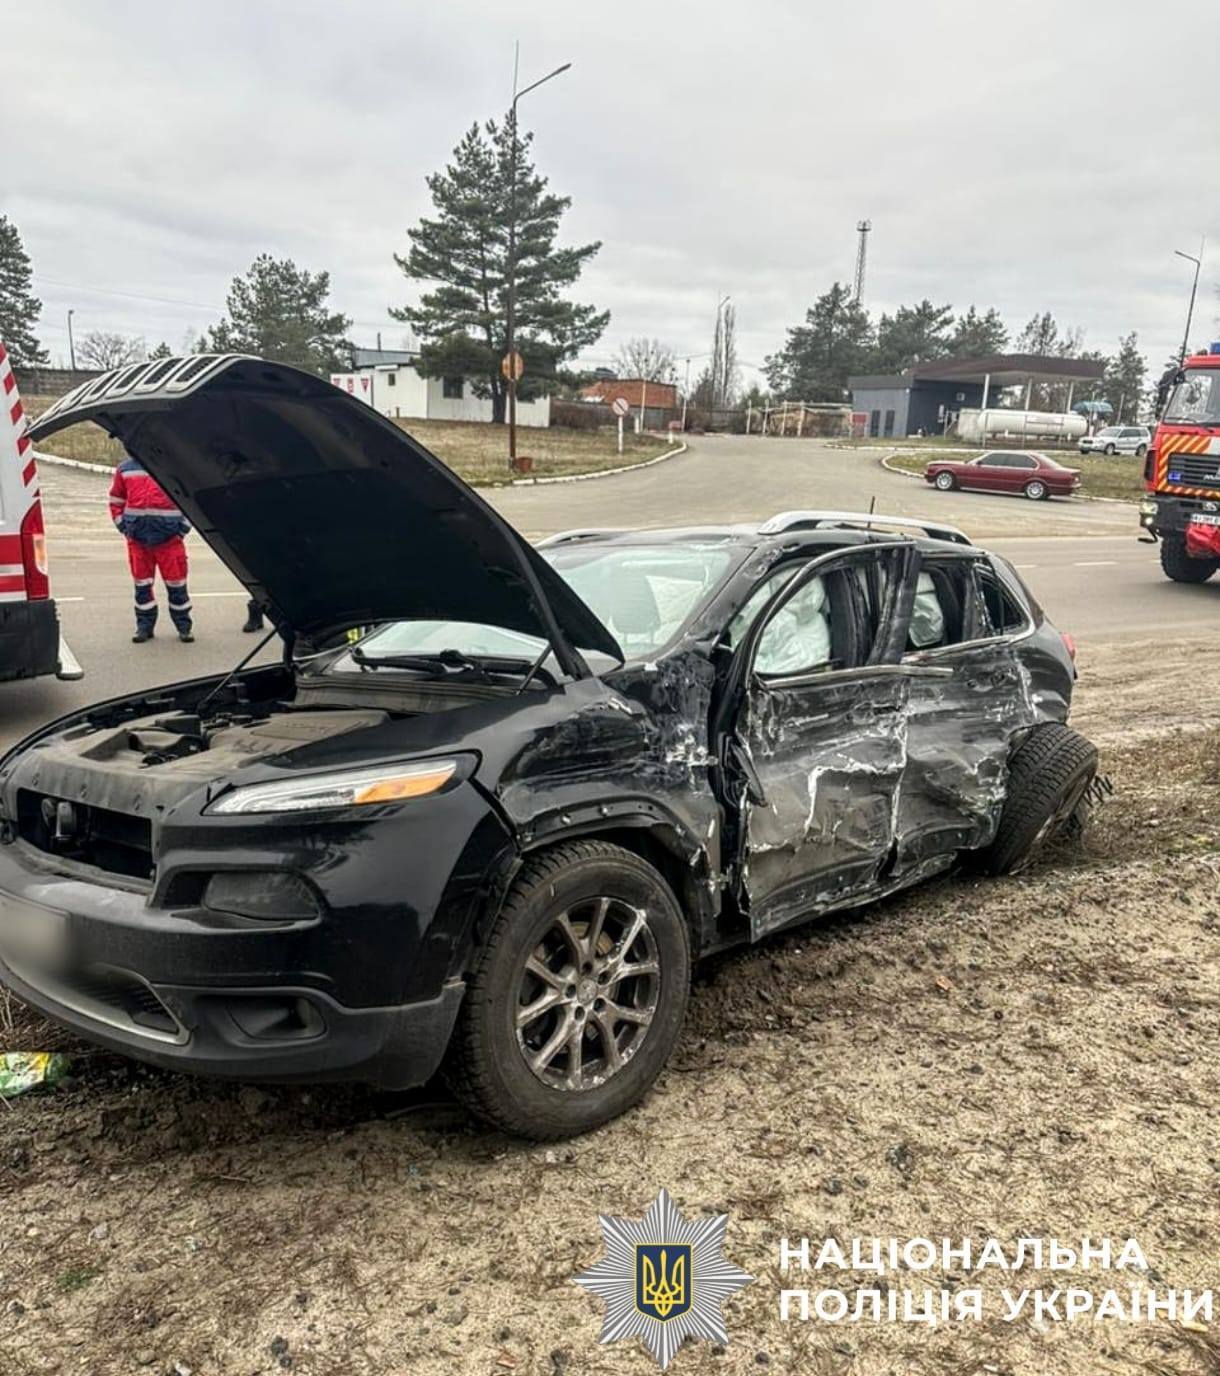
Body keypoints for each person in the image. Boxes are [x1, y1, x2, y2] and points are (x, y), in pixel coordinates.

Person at [108, 452, 194, 643]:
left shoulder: (173, 468)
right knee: (142, 587)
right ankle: (144, 628)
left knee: (177, 586)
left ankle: (184, 627)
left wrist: (182, 531)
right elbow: (116, 501)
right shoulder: (125, 469)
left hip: (170, 542)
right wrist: (124, 527)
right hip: (138, 542)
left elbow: (190, 502)